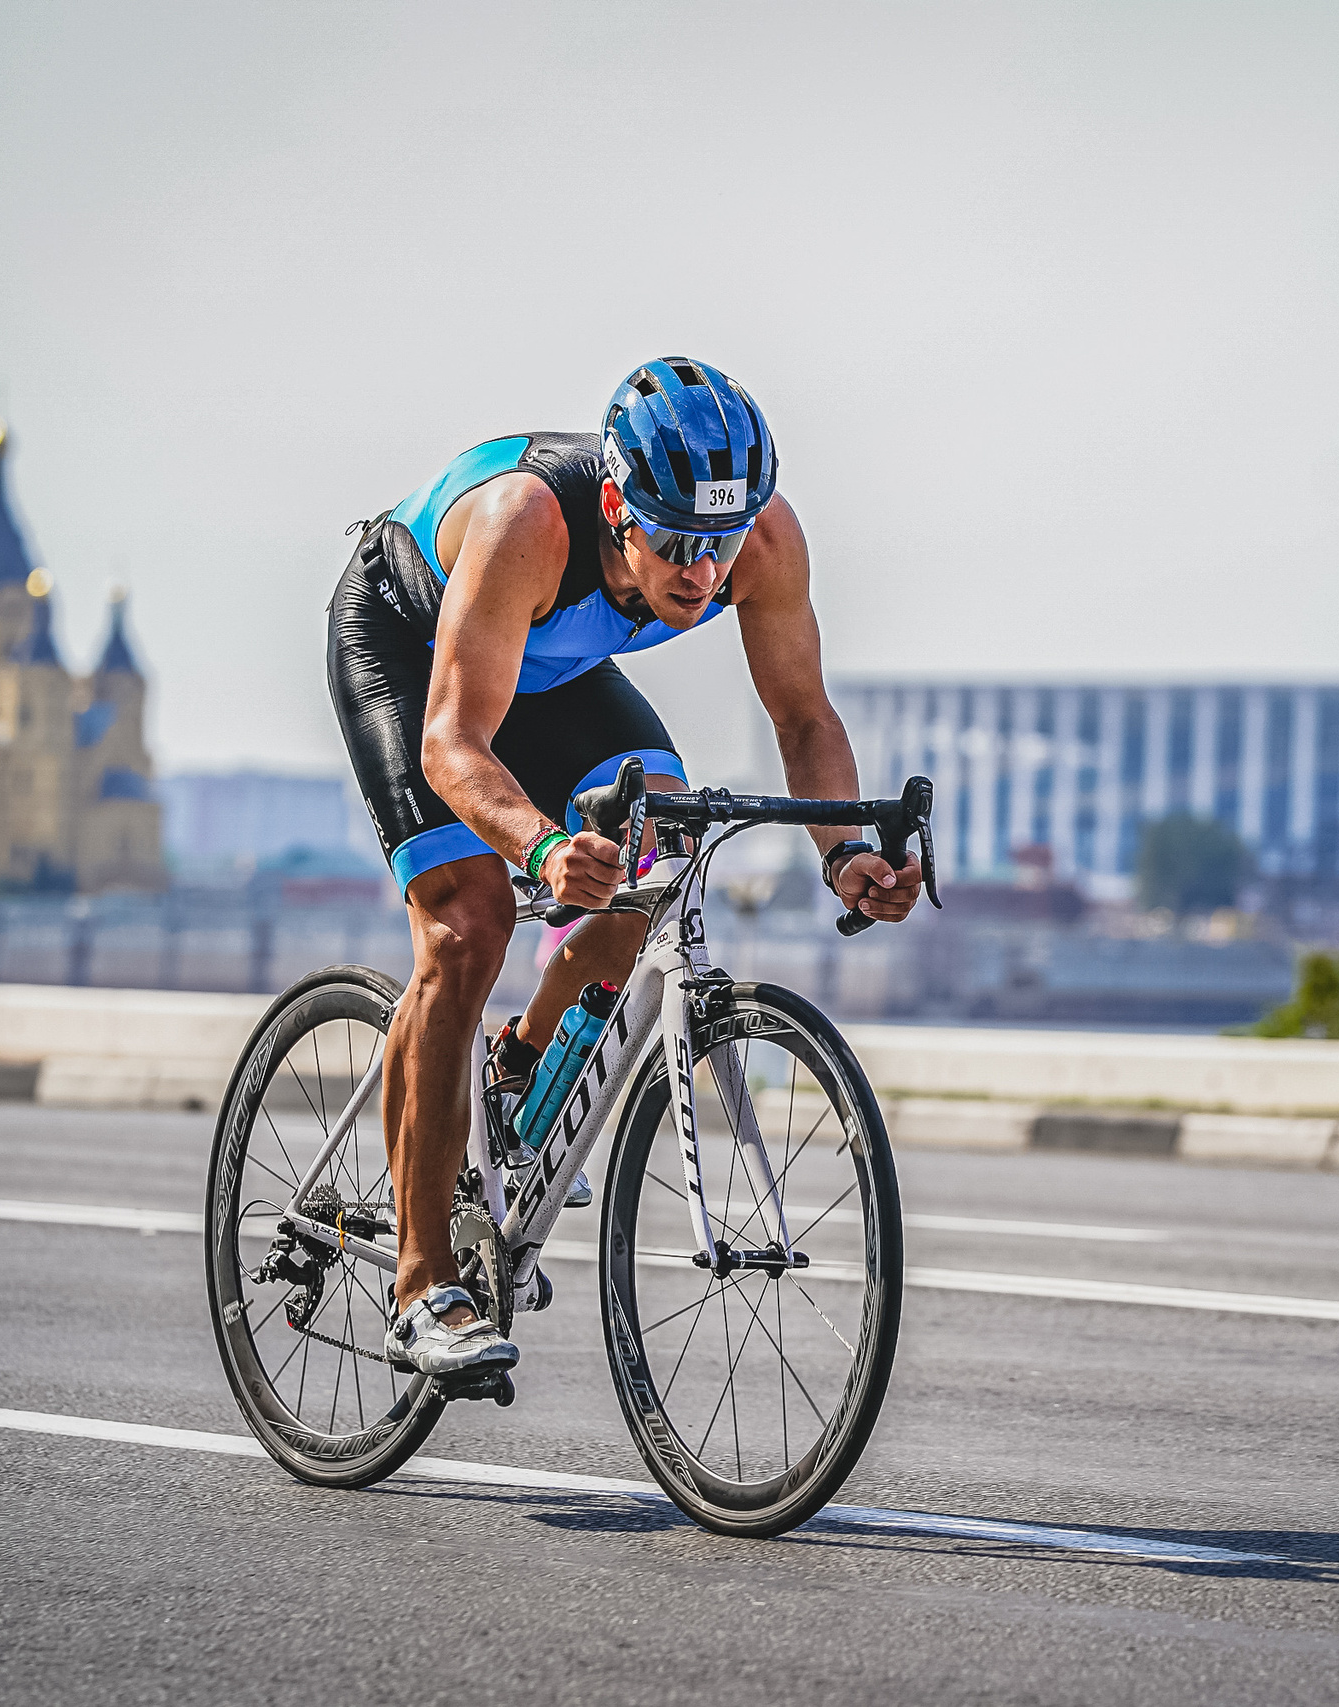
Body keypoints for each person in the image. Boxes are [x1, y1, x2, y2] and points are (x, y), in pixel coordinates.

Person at [327, 357, 920, 1383]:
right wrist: (542, 847)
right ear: (615, 511)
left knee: (660, 858)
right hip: (413, 649)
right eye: (677, 542)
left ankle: (518, 1062)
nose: (702, 572)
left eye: (720, 544)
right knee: (470, 926)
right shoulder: (526, 525)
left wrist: (845, 855)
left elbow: (803, 717)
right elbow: (453, 745)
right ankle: (422, 1286)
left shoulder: (761, 542)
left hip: (548, 666)